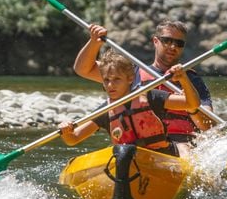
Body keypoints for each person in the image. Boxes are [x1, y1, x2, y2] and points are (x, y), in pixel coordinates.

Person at [73, 21, 215, 145]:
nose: (173, 47)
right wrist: (94, 42)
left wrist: (191, 107)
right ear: (155, 41)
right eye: (167, 40)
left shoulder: (191, 79)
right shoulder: (131, 74)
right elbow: (83, 69)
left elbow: (209, 126)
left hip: (182, 142)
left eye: (179, 43)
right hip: (142, 142)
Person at [59, 49, 201, 157]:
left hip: (163, 156)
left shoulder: (150, 96)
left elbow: (192, 104)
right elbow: (73, 139)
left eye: (116, 79)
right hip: (129, 158)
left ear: (130, 79)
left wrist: (183, 79)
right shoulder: (106, 110)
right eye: (106, 80)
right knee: (123, 153)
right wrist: (66, 131)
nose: (110, 85)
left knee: (185, 151)